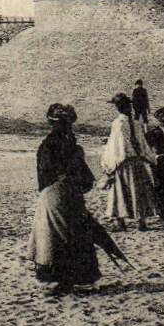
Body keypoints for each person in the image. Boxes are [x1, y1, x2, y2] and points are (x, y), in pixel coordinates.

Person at [28, 103, 100, 294]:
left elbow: (45, 174)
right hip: (64, 196)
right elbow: (84, 178)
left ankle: (60, 281)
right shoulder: (70, 145)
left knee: (55, 238)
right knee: (73, 234)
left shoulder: (49, 145)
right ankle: (77, 279)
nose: (67, 126)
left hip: (55, 196)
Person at [101, 92, 159, 231]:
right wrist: (149, 157)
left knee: (124, 191)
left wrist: (110, 164)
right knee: (136, 190)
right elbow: (121, 144)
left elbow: (115, 146)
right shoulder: (124, 124)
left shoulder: (126, 124)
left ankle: (133, 222)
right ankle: (138, 222)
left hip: (126, 161)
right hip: (130, 161)